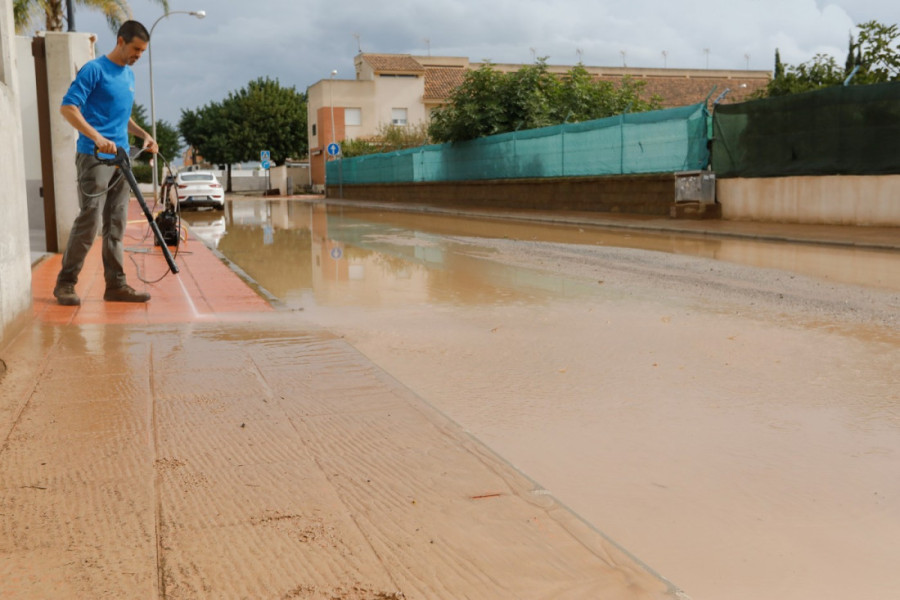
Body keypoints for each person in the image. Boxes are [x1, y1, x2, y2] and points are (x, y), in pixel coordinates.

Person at [53, 20, 158, 306]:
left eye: (143, 51)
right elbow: (68, 107)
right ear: (121, 41)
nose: (138, 55)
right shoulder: (94, 70)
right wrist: (97, 137)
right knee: (90, 221)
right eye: (136, 49)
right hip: (94, 157)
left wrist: (143, 134)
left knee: (116, 224)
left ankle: (116, 285)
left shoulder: (128, 75)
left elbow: (121, 115)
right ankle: (65, 283)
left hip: (121, 159)